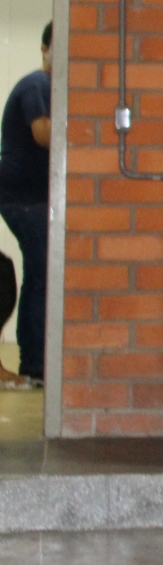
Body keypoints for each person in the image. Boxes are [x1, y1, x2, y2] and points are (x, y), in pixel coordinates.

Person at [0, 21, 51, 391]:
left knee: (39, 273)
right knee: (41, 273)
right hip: (23, 198)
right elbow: (43, 133)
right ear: (45, 49)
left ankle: (35, 361)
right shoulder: (38, 84)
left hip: (31, 198)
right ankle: (34, 362)